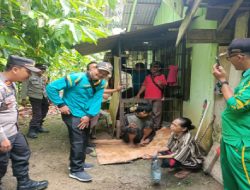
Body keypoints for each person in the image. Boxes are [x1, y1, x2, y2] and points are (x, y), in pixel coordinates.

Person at [46, 62, 113, 182]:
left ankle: (79, 163)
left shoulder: (101, 82)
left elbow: (96, 100)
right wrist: (61, 104)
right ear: (94, 68)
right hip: (72, 113)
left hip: (85, 114)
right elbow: (51, 88)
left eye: (104, 74)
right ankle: (75, 170)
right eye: (100, 71)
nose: (101, 74)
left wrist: (89, 115)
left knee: (84, 139)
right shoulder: (76, 77)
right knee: (78, 141)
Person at [0, 55, 48, 190]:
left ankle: (24, 183)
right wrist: (2, 138)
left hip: (13, 131)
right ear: (15, 69)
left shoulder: (10, 83)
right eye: (28, 71)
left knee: (22, 153)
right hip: (3, 134)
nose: (30, 75)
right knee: (1, 164)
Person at [212, 38, 250, 190]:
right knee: (231, 182)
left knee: (244, 183)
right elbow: (238, 99)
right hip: (231, 139)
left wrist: (223, 81)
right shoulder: (246, 76)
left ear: (240, 57)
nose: (230, 62)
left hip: (241, 143)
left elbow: (236, 105)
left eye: (229, 58)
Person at [136, 61, 167, 130]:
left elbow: (165, 87)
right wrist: (138, 94)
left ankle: (156, 127)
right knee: (147, 112)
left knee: (156, 113)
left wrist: (160, 84)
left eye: (156, 67)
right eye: (152, 67)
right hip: (147, 97)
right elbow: (144, 86)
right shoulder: (148, 77)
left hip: (157, 97)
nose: (154, 68)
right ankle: (148, 127)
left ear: (159, 68)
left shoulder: (162, 76)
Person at [21, 64, 49, 139]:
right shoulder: (29, 76)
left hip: (43, 97)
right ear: (35, 69)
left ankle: (39, 126)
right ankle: (32, 130)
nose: (43, 71)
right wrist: (23, 99)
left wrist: (48, 97)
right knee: (37, 114)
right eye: (41, 69)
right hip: (34, 97)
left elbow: (44, 88)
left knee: (45, 111)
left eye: (44, 69)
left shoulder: (43, 77)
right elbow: (24, 87)